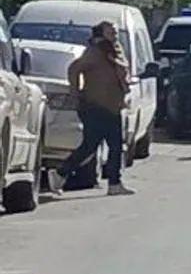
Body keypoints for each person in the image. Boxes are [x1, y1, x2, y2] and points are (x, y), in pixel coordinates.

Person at [49, 22, 134, 196]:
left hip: (113, 106)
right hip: (95, 106)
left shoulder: (115, 50)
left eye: (116, 32)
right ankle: (60, 173)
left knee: (115, 146)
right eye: (111, 32)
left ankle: (114, 184)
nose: (115, 35)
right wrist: (75, 93)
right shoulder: (95, 52)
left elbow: (122, 73)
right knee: (90, 145)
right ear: (101, 34)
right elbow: (74, 68)